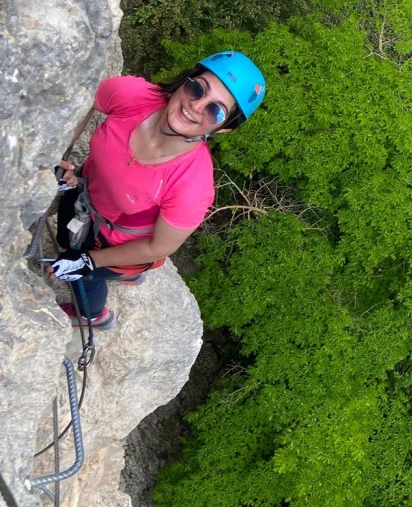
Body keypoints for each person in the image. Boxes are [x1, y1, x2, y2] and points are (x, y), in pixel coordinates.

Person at [47, 51, 266, 330]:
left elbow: (159, 246)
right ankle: (123, 273)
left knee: (84, 276)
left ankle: (94, 315)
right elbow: (89, 98)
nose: (196, 105)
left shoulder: (191, 185)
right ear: (185, 81)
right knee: (65, 238)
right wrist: (59, 154)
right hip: (84, 191)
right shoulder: (133, 96)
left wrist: (89, 261)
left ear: (224, 129)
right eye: (197, 89)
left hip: (114, 240)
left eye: (215, 110)